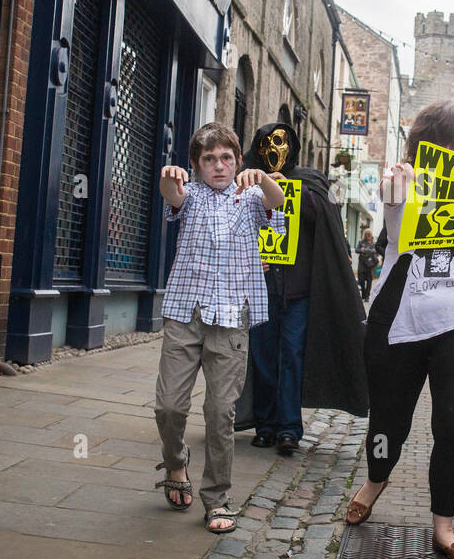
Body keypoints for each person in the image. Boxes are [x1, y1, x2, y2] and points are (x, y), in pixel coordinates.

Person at [344, 100, 454, 559]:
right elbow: (390, 193)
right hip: (401, 319)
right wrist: (394, 182)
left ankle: (444, 523)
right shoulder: (403, 180)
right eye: (440, 148)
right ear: (422, 148)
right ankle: (376, 477)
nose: (451, 157)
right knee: (388, 418)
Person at [154, 123, 284, 534]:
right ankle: (176, 463)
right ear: (196, 164)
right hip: (185, 312)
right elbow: (171, 196)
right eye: (208, 159)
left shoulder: (249, 198)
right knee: (169, 406)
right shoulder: (189, 196)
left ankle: (217, 498)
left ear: (238, 161)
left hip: (232, 319)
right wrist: (167, 179)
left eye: (226, 157)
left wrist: (262, 178)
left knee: (220, 412)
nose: (218, 165)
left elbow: (276, 202)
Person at [236, 122, 368, 455]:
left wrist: (293, 191)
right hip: (261, 284)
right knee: (264, 356)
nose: (275, 150)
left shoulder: (308, 180)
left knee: (291, 355)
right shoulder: (245, 179)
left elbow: (322, 216)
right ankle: (265, 425)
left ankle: (289, 428)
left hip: (298, 289)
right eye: (268, 143)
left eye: (281, 143)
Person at [356, 230, 378, 301]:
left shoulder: (373, 244)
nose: (368, 236)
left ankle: (367, 296)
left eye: (369, 234)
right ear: (364, 235)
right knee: (361, 280)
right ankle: (364, 294)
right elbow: (357, 250)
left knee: (369, 281)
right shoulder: (361, 242)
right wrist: (361, 250)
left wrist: (375, 251)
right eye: (366, 234)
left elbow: (378, 252)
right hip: (362, 264)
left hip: (370, 265)